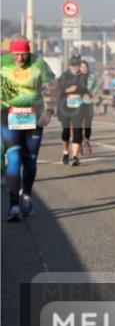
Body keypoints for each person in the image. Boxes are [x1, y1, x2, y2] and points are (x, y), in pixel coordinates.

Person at [1, 36, 56, 221]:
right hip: (7, 116)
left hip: (34, 116)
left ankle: (27, 195)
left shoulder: (38, 63)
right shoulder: (2, 63)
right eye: (16, 54)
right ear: (10, 52)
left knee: (30, 161)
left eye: (23, 54)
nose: (20, 58)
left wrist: (49, 111)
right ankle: (14, 205)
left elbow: (54, 87)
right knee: (14, 156)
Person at [56, 56, 89, 166]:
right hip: (65, 106)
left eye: (76, 65)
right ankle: (65, 152)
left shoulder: (82, 76)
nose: (74, 67)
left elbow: (84, 87)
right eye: (72, 65)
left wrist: (77, 89)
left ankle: (74, 156)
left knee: (77, 131)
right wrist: (67, 90)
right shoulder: (64, 75)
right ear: (69, 66)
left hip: (78, 106)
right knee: (66, 131)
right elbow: (59, 86)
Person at [78, 60, 97, 156]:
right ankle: (81, 143)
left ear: (88, 68)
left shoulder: (92, 77)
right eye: (82, 67)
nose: (83, 69)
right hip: (78, 103)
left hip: (88, 102)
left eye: (85, 67)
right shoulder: (76, 77)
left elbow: (95, 88)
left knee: (88, 123)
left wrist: (93, 93)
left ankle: (87, 140)